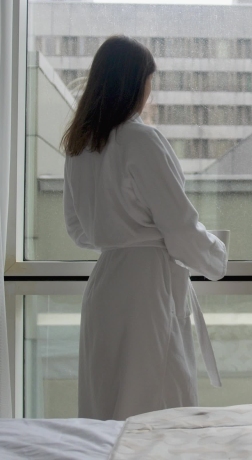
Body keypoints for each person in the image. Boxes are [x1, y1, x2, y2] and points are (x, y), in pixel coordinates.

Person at [61, 36, 227, 420]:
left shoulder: (79, 146)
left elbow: (78, 230)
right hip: (146, 288)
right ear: (135, 83)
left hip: (105, 286)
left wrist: (120, 236)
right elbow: (180, 227)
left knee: (106, 403)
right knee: (156, 402)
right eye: (149, 82)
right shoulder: (142, 140)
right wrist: (217, 256)